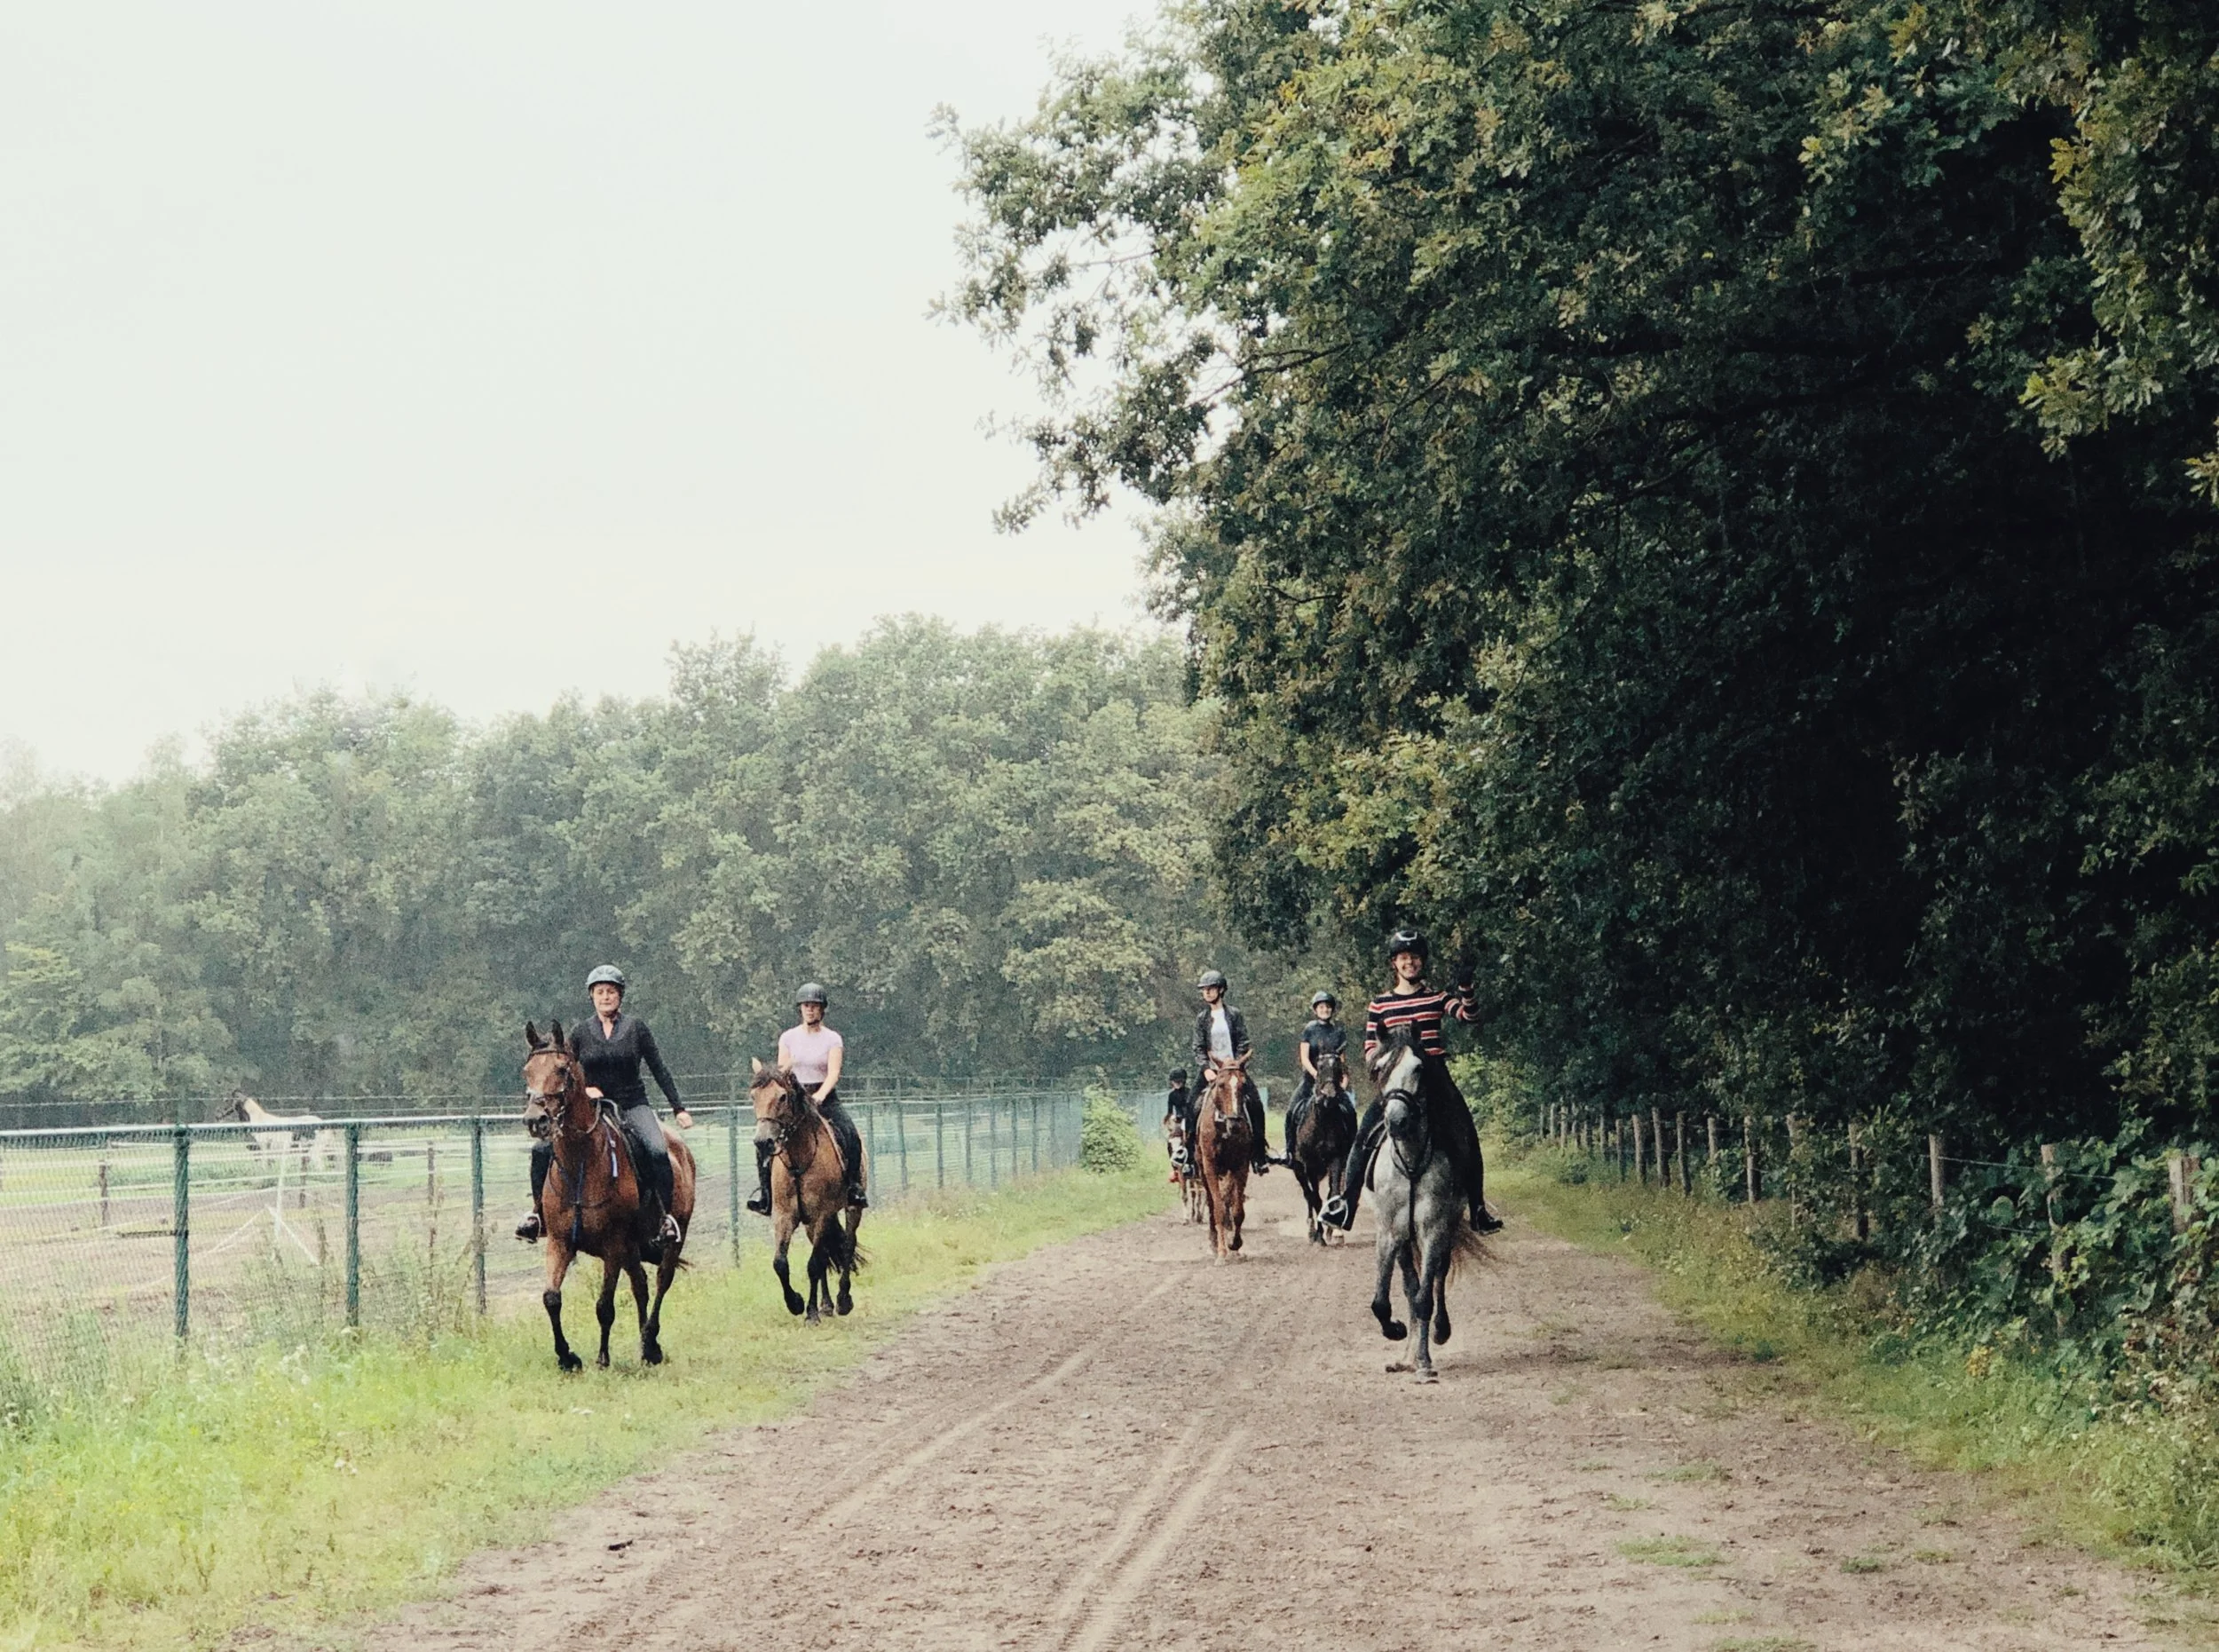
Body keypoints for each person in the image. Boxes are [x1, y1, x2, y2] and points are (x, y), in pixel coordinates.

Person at [1321, 930, 1503, 1234]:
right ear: (1394, 963)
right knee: (1364, 1135)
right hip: (1396, 1079)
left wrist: (1466, 987)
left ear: (1422, 962)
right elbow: (1369, 1048)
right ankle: (1345, 1205)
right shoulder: (1379, 1004)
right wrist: (1384, 1067)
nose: (1410, 963)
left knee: (1467, 1133)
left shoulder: (1436, 997)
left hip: (1434, 1077)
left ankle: (1478, 1209)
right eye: (1404, 958)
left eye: (1415, 958)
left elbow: (1468, 1016)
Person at [517, 965, 691, 1261]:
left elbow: (658, 1068)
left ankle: (664, 1218)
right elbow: (566, 1072)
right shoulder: (581, 1032)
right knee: (541, 1150)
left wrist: (679, 1108)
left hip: (632, 1105)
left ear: (619, 996)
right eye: (600, 992)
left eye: (611, 992)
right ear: (592, 997)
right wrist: (585, 1092)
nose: (605, 997)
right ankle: (538, 1216)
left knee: (657, 1149)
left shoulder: (636, 1028)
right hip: (594, 1108)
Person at [746, 982, 869, 1214]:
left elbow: (833, 1072)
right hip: (795, 1098)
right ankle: (766, 1195)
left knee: (850, 1133)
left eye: (814, 1006)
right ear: (800, 1009)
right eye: (805, 1006)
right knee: (764, 1141)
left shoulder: (832, 1039)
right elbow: (782, 1072)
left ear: (822, 1010)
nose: (809, 1010)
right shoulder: (789, 1038)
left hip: (825, 1096)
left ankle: (853, 1187)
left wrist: (821, 1094)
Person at [1189, 970, 1272, 1174]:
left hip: (1233, 1070)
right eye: (1204, 990)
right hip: (1211, 1070)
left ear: (1221, 990)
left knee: (1256, 1105)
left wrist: (1236, 1063)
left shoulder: (1234, 1014)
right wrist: (1206, 1068)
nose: (1207, 993)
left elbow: (1244, 1041)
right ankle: (1189, 1156)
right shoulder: (1201, 1019)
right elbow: (1198, 1047)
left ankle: (1259, 1155)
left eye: (1211, 989)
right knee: (1191, 1105)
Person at [1284, 990, 1354, 1154]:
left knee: (1350, 1112)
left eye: (1328, 1007)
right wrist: (1317, 1075)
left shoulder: (1339, 1031)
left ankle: (1352, 1153)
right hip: (1311, 1080)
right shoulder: (1310, 1029)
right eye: (1322, 1007)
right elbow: (1304, 1057)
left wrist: (1344, 1080)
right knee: (1291, 1112)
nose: (1325, 1010)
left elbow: (1342, 1061)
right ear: (1316, 1009)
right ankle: (1289, 1152)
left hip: (1334, 1083)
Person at [1163, 1069, 1193, 1181]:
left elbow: (1190, 1108)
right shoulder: (1171, 1095)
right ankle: (1175, 1167)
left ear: (1183, 1081)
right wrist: (1168, 1120)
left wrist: (1185, 1117)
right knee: (1171, 1140)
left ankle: (1191, 1163)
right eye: (1175, 1081)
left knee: (1189, 1138)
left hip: (1189, 1119)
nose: (1177, 1083)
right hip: (1178, 1120)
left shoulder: (1189, 1093)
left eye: (1179, 1081)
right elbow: (1170, 1111)